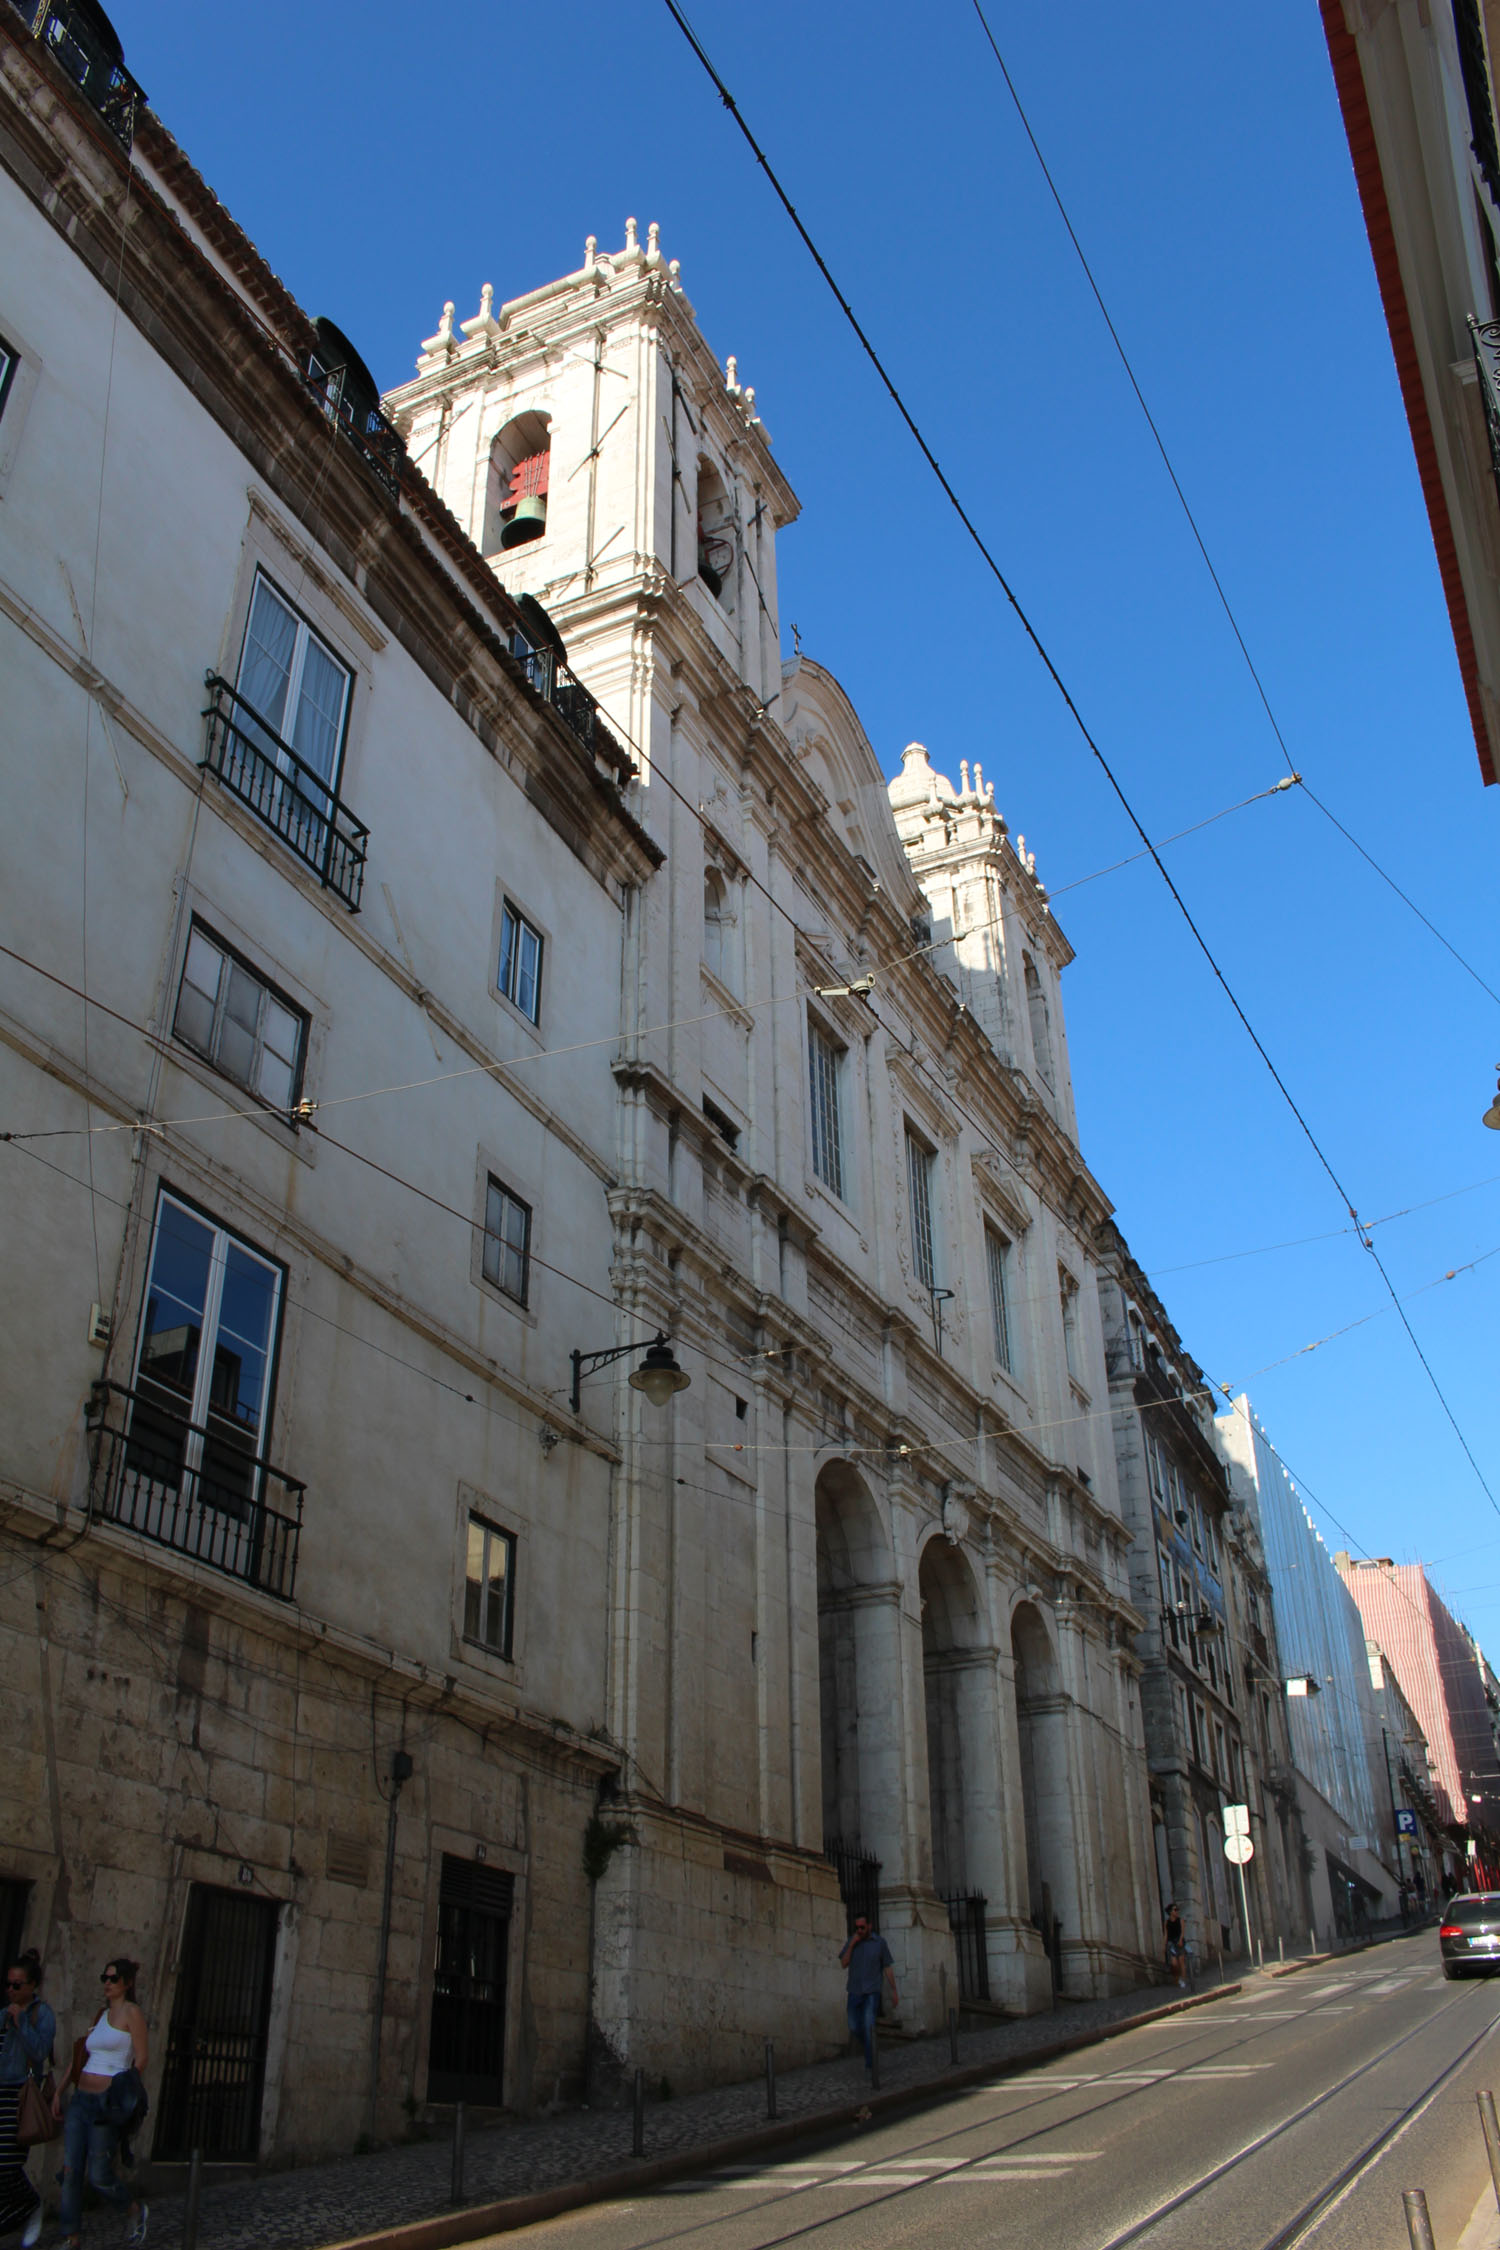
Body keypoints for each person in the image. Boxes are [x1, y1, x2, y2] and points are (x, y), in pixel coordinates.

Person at [52, 1959, 148, 2249]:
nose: (107, 1982)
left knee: (99, 2174)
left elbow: (141, 2058)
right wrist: (60, 2090)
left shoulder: (132, 2013)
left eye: (113, 1977)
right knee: (71, 2170)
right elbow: (81, 2055)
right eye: (104, 1977)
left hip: (106, 2104)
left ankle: (132, 2209)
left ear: (127, 1982)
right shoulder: (101, 2014)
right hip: (81, 2100)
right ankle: (71, 2237)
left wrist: (123, 2091)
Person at [0, 1949, 55, 2250]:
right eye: (8, 1984)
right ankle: (19, 2213)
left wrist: (22, 2023)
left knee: (6, 2163)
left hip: (20, 2096)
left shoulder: (40, 2014)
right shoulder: (2, 2014)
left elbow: (39, 2053)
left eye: (17, 1985)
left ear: (32, 1985)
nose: (11, 1990)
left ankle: (31, 2207)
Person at [839, 1914, 898, 2072]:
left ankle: (871, 2064)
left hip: (872, 1991)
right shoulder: (853, 1941)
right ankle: (869, 2046)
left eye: (862, 1927)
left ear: (869, 1926)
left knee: (868, 2023)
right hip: (854, 1990)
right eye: (856, 1928)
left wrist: (894, 1990)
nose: (859, 1930)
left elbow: (887, 1967)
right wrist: (852, 1945)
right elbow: (843, 1963)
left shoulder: (879, 1943)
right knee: (853, 2025)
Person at [1163, 1901, 1188, 1990]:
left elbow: (1182, 1932)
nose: (1177, 1911)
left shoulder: (1180, 1920)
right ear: (1170, 1912)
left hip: (1179, 1941)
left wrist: (1181, 1940)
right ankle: (1177, 1978)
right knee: (1174, 1964)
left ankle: (1183, 1980)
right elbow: (1166, 1934)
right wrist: (1164, 1945)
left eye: (1177, 1909)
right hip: (1171, 1943)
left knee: (1181, 1961)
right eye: (1175, 1909)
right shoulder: (1167, 1922)